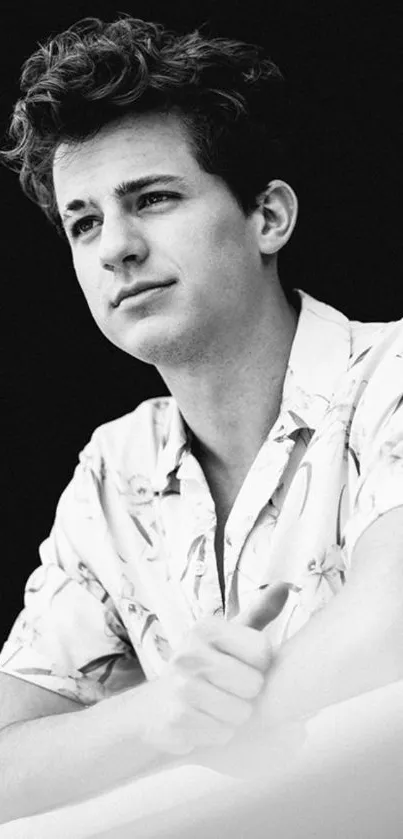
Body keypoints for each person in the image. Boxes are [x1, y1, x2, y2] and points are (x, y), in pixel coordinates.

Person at [0, 15, 402, 824]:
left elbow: (392, 625)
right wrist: (157, 716)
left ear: (268, 218)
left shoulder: (390, 374)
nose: (115, 246)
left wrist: (185, 727)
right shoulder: (113, 469)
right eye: (83, 221)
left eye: (150, 198)